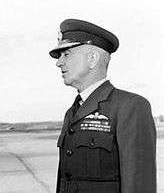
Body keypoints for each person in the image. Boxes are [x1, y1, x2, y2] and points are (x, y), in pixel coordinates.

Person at [49, 19, 156, 193]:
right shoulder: (73, 112)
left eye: (66, 54)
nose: (59, 62)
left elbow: (139, 184)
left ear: (92, 58)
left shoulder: (130, 106)